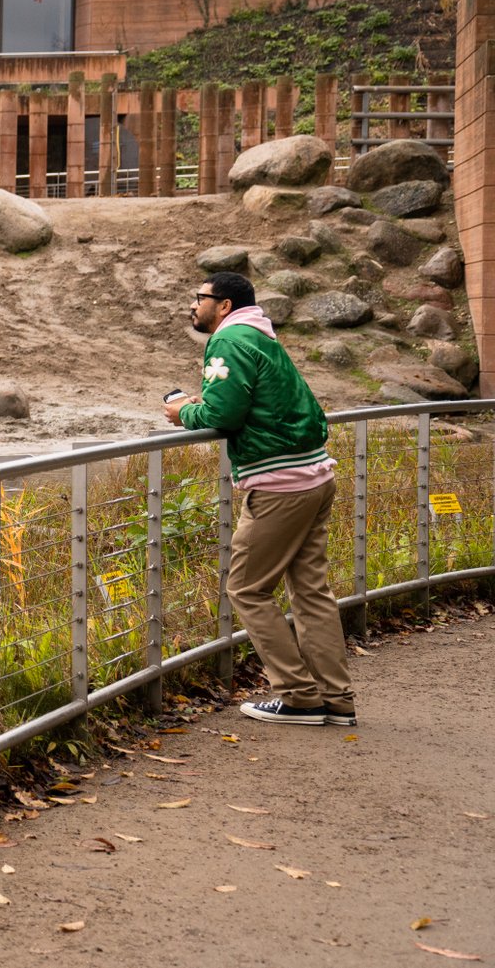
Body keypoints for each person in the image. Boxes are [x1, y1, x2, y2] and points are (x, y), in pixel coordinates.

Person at [162, 272, 355, 726]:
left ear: (223, 306)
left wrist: (181, 411)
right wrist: (203, 401)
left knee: (247, 588)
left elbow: (225, 415)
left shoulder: (228, 341)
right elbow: (246, 401)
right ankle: (336, 698)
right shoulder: (261, 336)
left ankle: (298, 696)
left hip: (279, 484)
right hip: (314, 473)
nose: (193, 305)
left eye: (200, 298)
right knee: (310, 592)